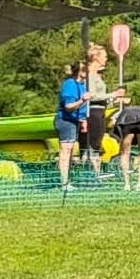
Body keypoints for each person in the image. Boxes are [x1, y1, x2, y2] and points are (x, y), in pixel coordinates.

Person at [110, 94, 140, 191]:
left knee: (125, 153)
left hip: (127, 121)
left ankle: (126, 184)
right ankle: (139, 184)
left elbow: (117, 130)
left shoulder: (125, 111)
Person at [54, 61, 90, 189]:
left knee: (70, 151)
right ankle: (64, 182)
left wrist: (82, 120)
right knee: (66, 151)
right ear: (81, 71)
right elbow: (68, 106)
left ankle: (67, 181)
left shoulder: (82, 86)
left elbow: (81, 109)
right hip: (66, 121)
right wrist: (82, 100)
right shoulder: (70, 84)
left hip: (74, 122)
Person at [79, 43, 112, 173]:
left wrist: (112, 99)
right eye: (104, 56)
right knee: (92, 144)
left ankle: (93, 173)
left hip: (100, 110)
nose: (106, 58)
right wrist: (112, 94)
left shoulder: (97, 75)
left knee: (97, 142)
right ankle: (90, 173)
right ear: (96, 57)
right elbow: (91, 96)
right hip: (92, 112)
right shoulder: (90, 75)